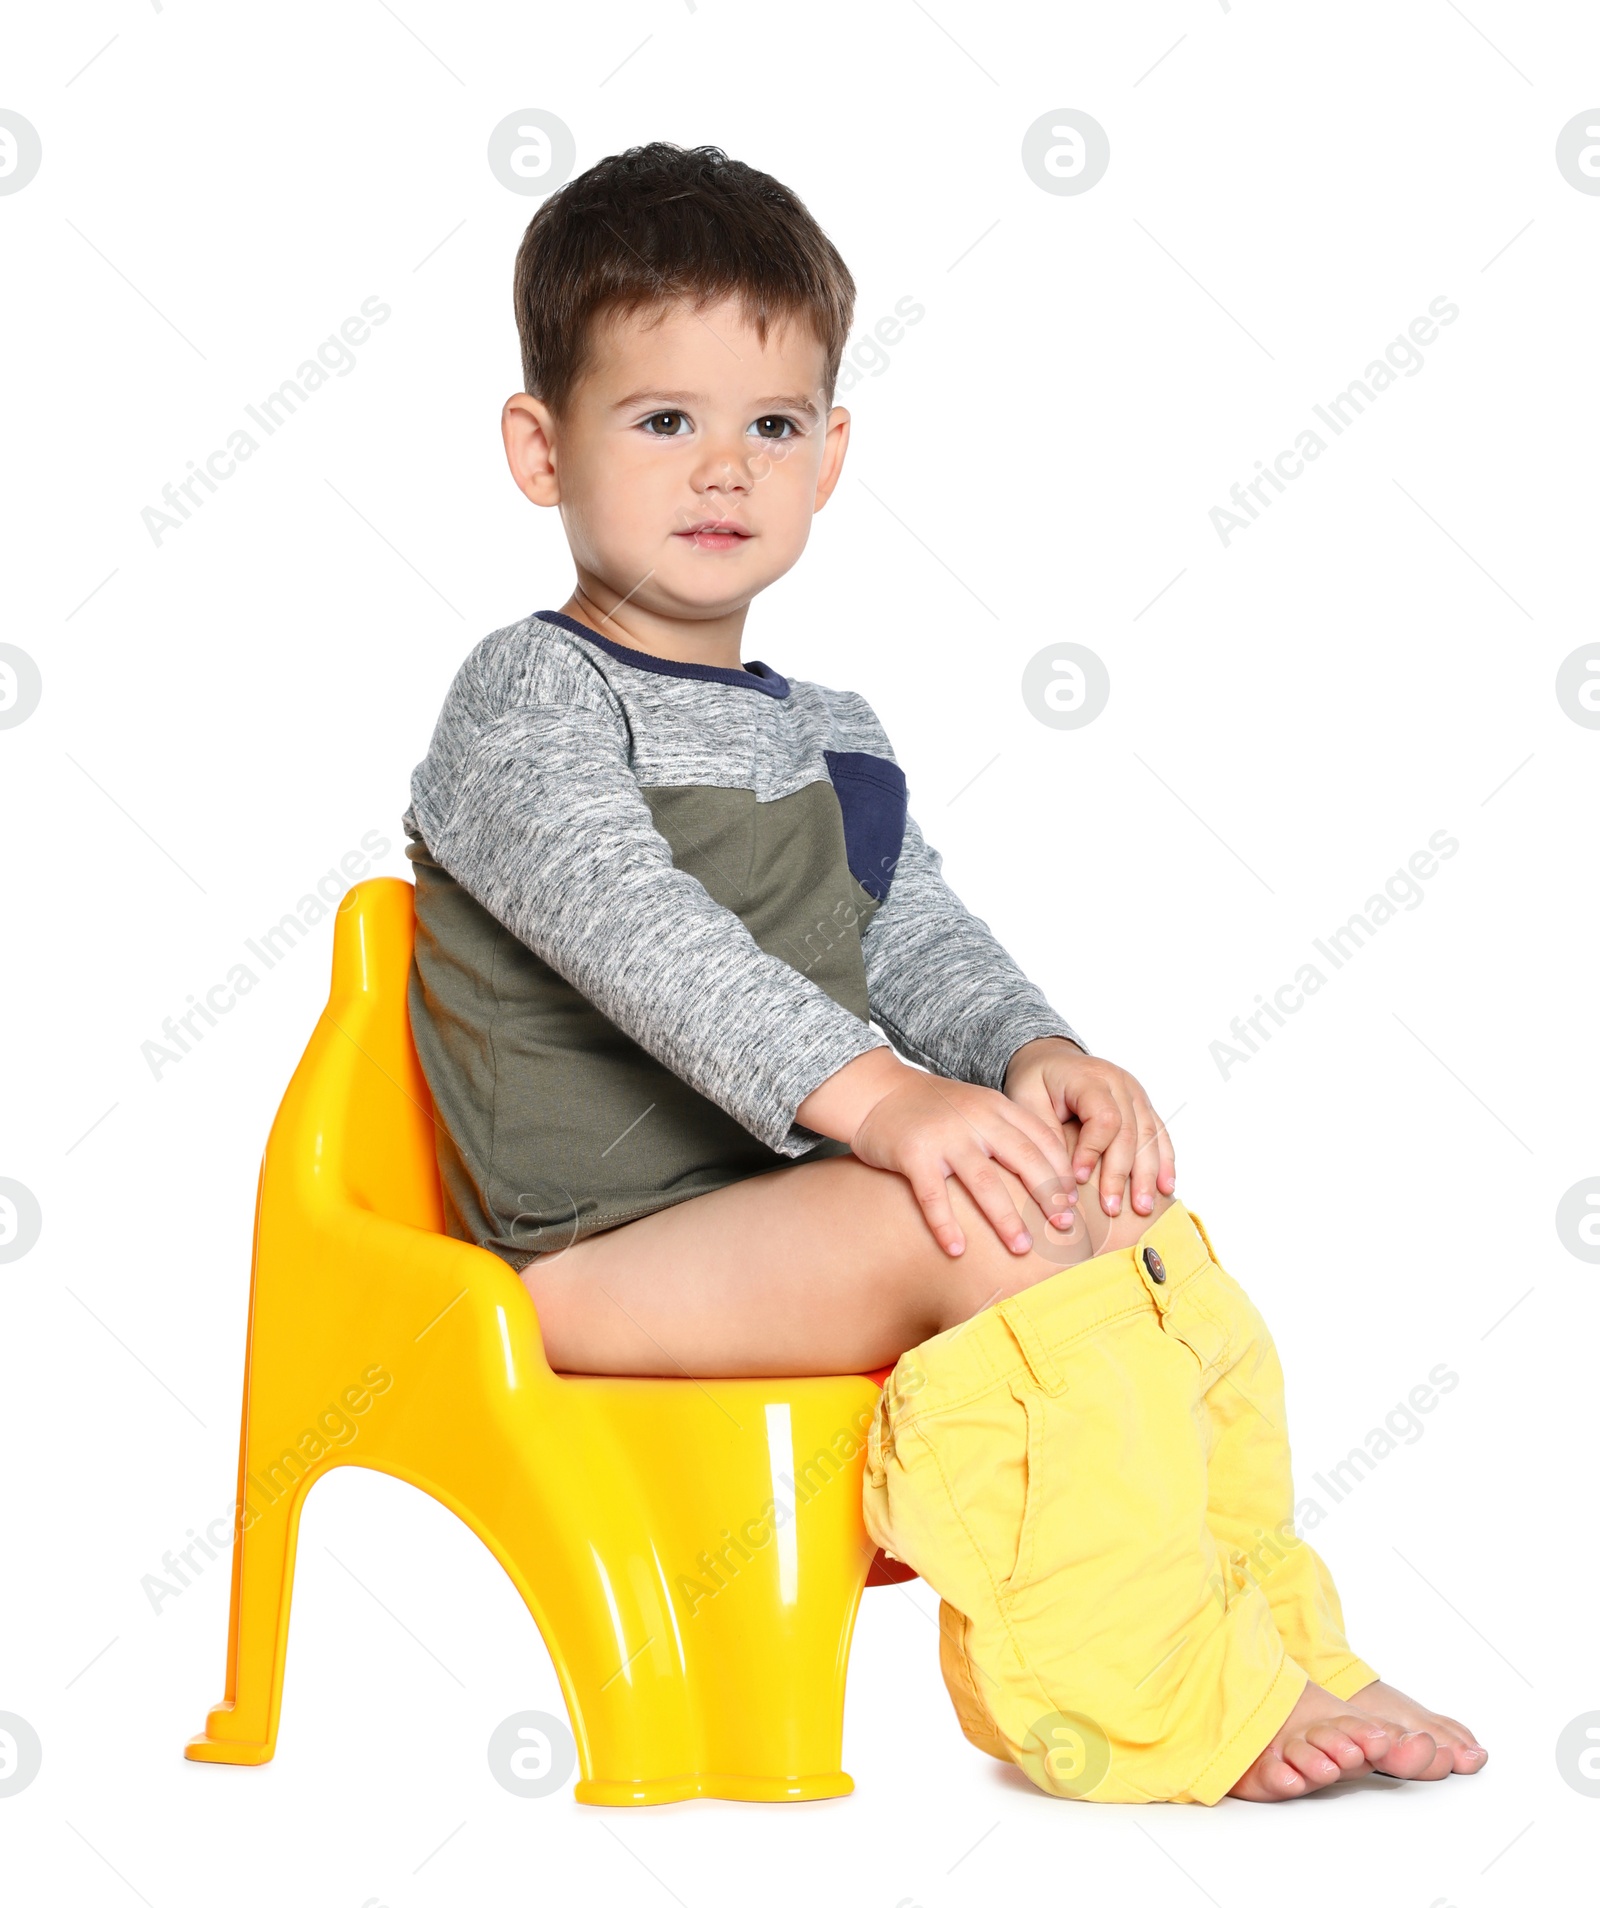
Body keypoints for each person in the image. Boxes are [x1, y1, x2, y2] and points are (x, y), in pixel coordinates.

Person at [401, 141, 1485, 1803]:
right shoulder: (529, 701)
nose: (723, 469)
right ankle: (1128, 1692)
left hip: (777, 1215)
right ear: (541, 450)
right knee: (974, 1212)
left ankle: (1272, 1639)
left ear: (832, 456)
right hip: (580, 1260)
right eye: (661, 418)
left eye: (771, 425)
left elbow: (913, 938)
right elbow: (646, 936)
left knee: (1124, 1219)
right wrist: (895, 1106)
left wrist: (1030, 1049)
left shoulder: (833, 732)